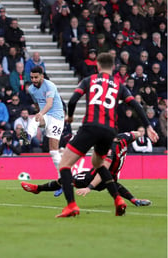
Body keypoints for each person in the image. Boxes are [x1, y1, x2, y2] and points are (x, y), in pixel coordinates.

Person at [56, 53, 158, 218]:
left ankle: (71, 206)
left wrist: (71, 116)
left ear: (97, 65)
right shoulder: (119, 85)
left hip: (90, 126)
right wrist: (147, 126)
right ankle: (118, 199)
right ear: (114, 67)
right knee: (98, 163)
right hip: (110, 131)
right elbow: (136, 105)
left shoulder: (89, 80)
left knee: (64, 165)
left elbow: (73, 100)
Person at [21, 131, 152, 207]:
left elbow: (102, 173)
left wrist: (89, 188)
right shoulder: (122, 138)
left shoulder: (109, 150)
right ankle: (134, 200)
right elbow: (135, 134)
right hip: (111, 179)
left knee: (66, 179)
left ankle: (38, 189)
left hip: (93, 178)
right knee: (115, 185)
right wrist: (145, 132)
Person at [27, 66, 65, 196]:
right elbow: (37, 103)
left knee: (53, 150)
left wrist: (40, 113)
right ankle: (27, 137)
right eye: (31, 77)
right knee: (33, 120)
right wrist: (39, 112)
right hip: (45, 116)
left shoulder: (50, 86)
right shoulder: (31, 89)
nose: (33, 80)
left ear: (42, 76)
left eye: (36, 77)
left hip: (57, 117)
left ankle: (63, 181)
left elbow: (49, 104)